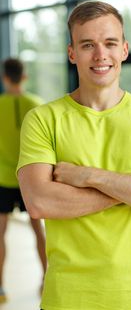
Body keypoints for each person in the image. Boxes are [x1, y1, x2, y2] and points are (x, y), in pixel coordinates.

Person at [17, 1, 131, 310]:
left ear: (124, 49)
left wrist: (88, 177)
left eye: (110, 43)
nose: (100, 55)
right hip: (69, 298)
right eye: (87, 45)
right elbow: (40, 202)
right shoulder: (43, 119)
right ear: (72, 53)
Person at [0, 58, 47, 303]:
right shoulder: (37, 106)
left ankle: (0, 289)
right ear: (24, 76)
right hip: (30, 179)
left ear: (5, 78)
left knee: (0, 233)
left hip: (3, 179)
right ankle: (46, 281)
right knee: (38, 230)